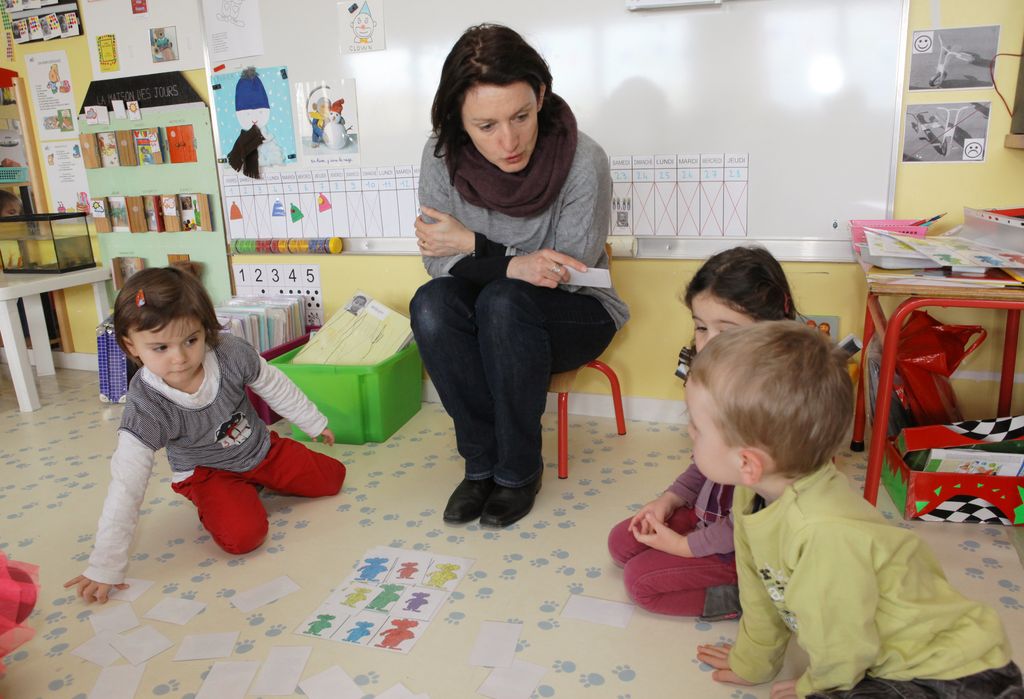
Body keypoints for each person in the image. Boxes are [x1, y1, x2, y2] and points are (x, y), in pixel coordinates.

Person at [690, 321, 1021, 698]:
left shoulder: (823, 532)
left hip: (954, 672)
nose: (689, 433)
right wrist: (753, 662)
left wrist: (816, 688)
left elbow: (842, 645)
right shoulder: (749, 494)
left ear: (748, 462)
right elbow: (761, 591)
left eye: (696, 427)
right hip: (879, 663)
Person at [410, 24, 629, 528]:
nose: (508, 141)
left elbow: (564, 270)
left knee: (503, 302)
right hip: (494, 307)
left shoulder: (584, 161)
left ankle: (518, 470)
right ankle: (480, 464)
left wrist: (474, 245)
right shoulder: (440, 156)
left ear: (541, 97)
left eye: (521, 117)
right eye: (486, 126)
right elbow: (437, 261)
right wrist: (511, 263)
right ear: (458, 120)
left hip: (576, 311)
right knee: (431, 303)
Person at [64, 267, 346, 604]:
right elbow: (126, 484)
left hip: (260, 448)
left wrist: (313, 422)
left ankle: (259, 481)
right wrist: (105, 565)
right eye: (160, 347)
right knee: (243, 538)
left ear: (206, 330)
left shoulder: (229, 351)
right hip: (207, 473)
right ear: (131, 345)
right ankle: (220, 498)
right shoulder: (147, 406)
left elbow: (272, 382)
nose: (180, 358)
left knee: (334, 478)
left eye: (191, 340)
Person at [607, 246, 796, 616]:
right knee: (622, 543)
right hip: (710, 515)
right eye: (701, 327)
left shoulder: (773, 406)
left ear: (771, 327)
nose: (708, 343)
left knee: (640, 583)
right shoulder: (718, 381)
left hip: (743, 546)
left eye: (727, 330)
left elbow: (747, 522)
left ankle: (751, 597)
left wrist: (683, 547)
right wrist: (669, 500)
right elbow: (702, 462)